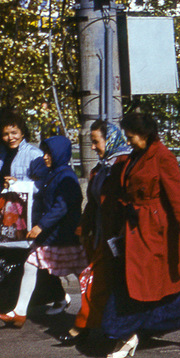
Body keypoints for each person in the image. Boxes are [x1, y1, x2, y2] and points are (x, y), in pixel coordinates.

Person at [100, 112, 180, 358]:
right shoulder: (134, 156)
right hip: (136, 228)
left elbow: (179, 197)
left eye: (131, 136)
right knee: (149, 285)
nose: (128, 141)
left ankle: (127, 333)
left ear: (145, 134)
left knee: (144, 284)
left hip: (155, 231)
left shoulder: (163, 157)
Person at [0, 112, 62, 320]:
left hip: (26, 216)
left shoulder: (33, 154)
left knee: (19, 259)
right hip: (7, 214)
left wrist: (19, 184)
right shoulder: (3, 153)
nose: (10, 137)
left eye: (14, 132)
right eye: (5, 134)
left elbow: (44, 184)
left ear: (22, 132)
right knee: (6, 256)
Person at [0, 135, 87, 328]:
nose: (45, 156)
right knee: (31, 265)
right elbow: (36, 187)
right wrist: (16, 184)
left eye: (49, 153)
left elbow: (61, 206)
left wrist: (41, 226)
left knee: (81, 272)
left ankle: (93, 309)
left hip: (63, 235)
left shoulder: (66, 176)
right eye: (45, 152)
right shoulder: (55, 173)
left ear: (59, 154)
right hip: (55, 234)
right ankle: (19, 312)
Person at [58, 120, 131, 345]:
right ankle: (98, 325)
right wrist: (84, 228)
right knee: (98, 282)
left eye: (96, 141)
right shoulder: (101, 168)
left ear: (110, 140)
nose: (92, 147)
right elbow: (92, 203)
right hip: (101, 235)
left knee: (98, 283)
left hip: (118, 236)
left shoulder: (124, 164)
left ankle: (84, 326)